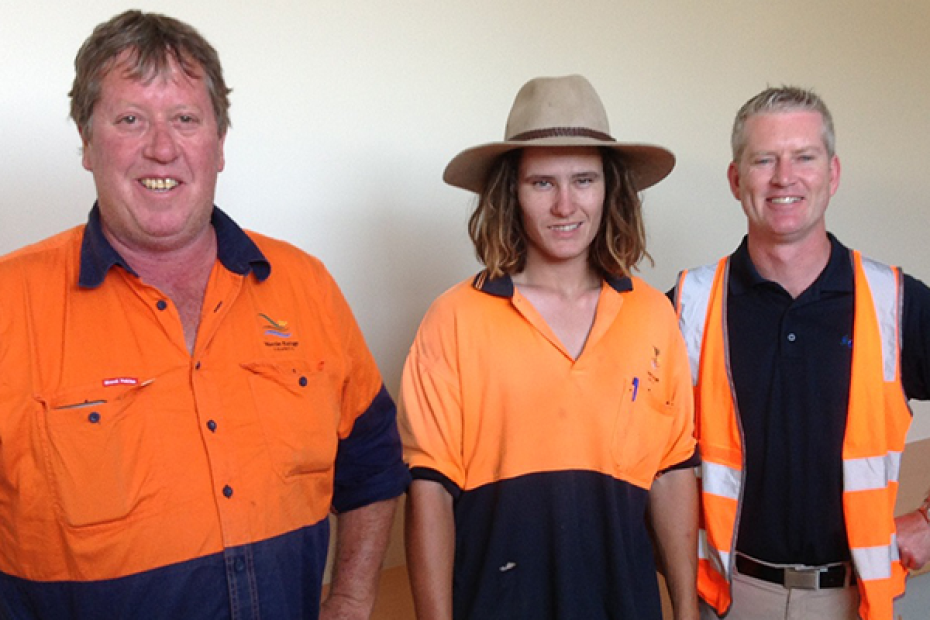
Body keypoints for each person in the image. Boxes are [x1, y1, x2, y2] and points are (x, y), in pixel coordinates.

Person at [0, 10, 409, 620]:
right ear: (87, 143)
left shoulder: (305, 285)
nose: (161, 148)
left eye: (185, 119)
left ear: (219, 144)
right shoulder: (11, 302)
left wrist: (350, 598)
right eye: (130, 119)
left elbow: (373, 461)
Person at [400, 74, 700, 620]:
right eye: (542, 183)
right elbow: (430, 494)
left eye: (583, 180)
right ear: (509, 192)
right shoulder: (454, 319)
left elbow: (672, 473)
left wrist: (686, 610)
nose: (566, 205)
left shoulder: (654, 315)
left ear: (611, 189)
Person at [671, 86, 930, 620]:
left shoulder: (895, 302)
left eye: (803, 157)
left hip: (854, 599)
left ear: (832, 175)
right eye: (764, 160)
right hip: (727, 597)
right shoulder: (687, 306)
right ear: (736, 179)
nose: (784, 177)